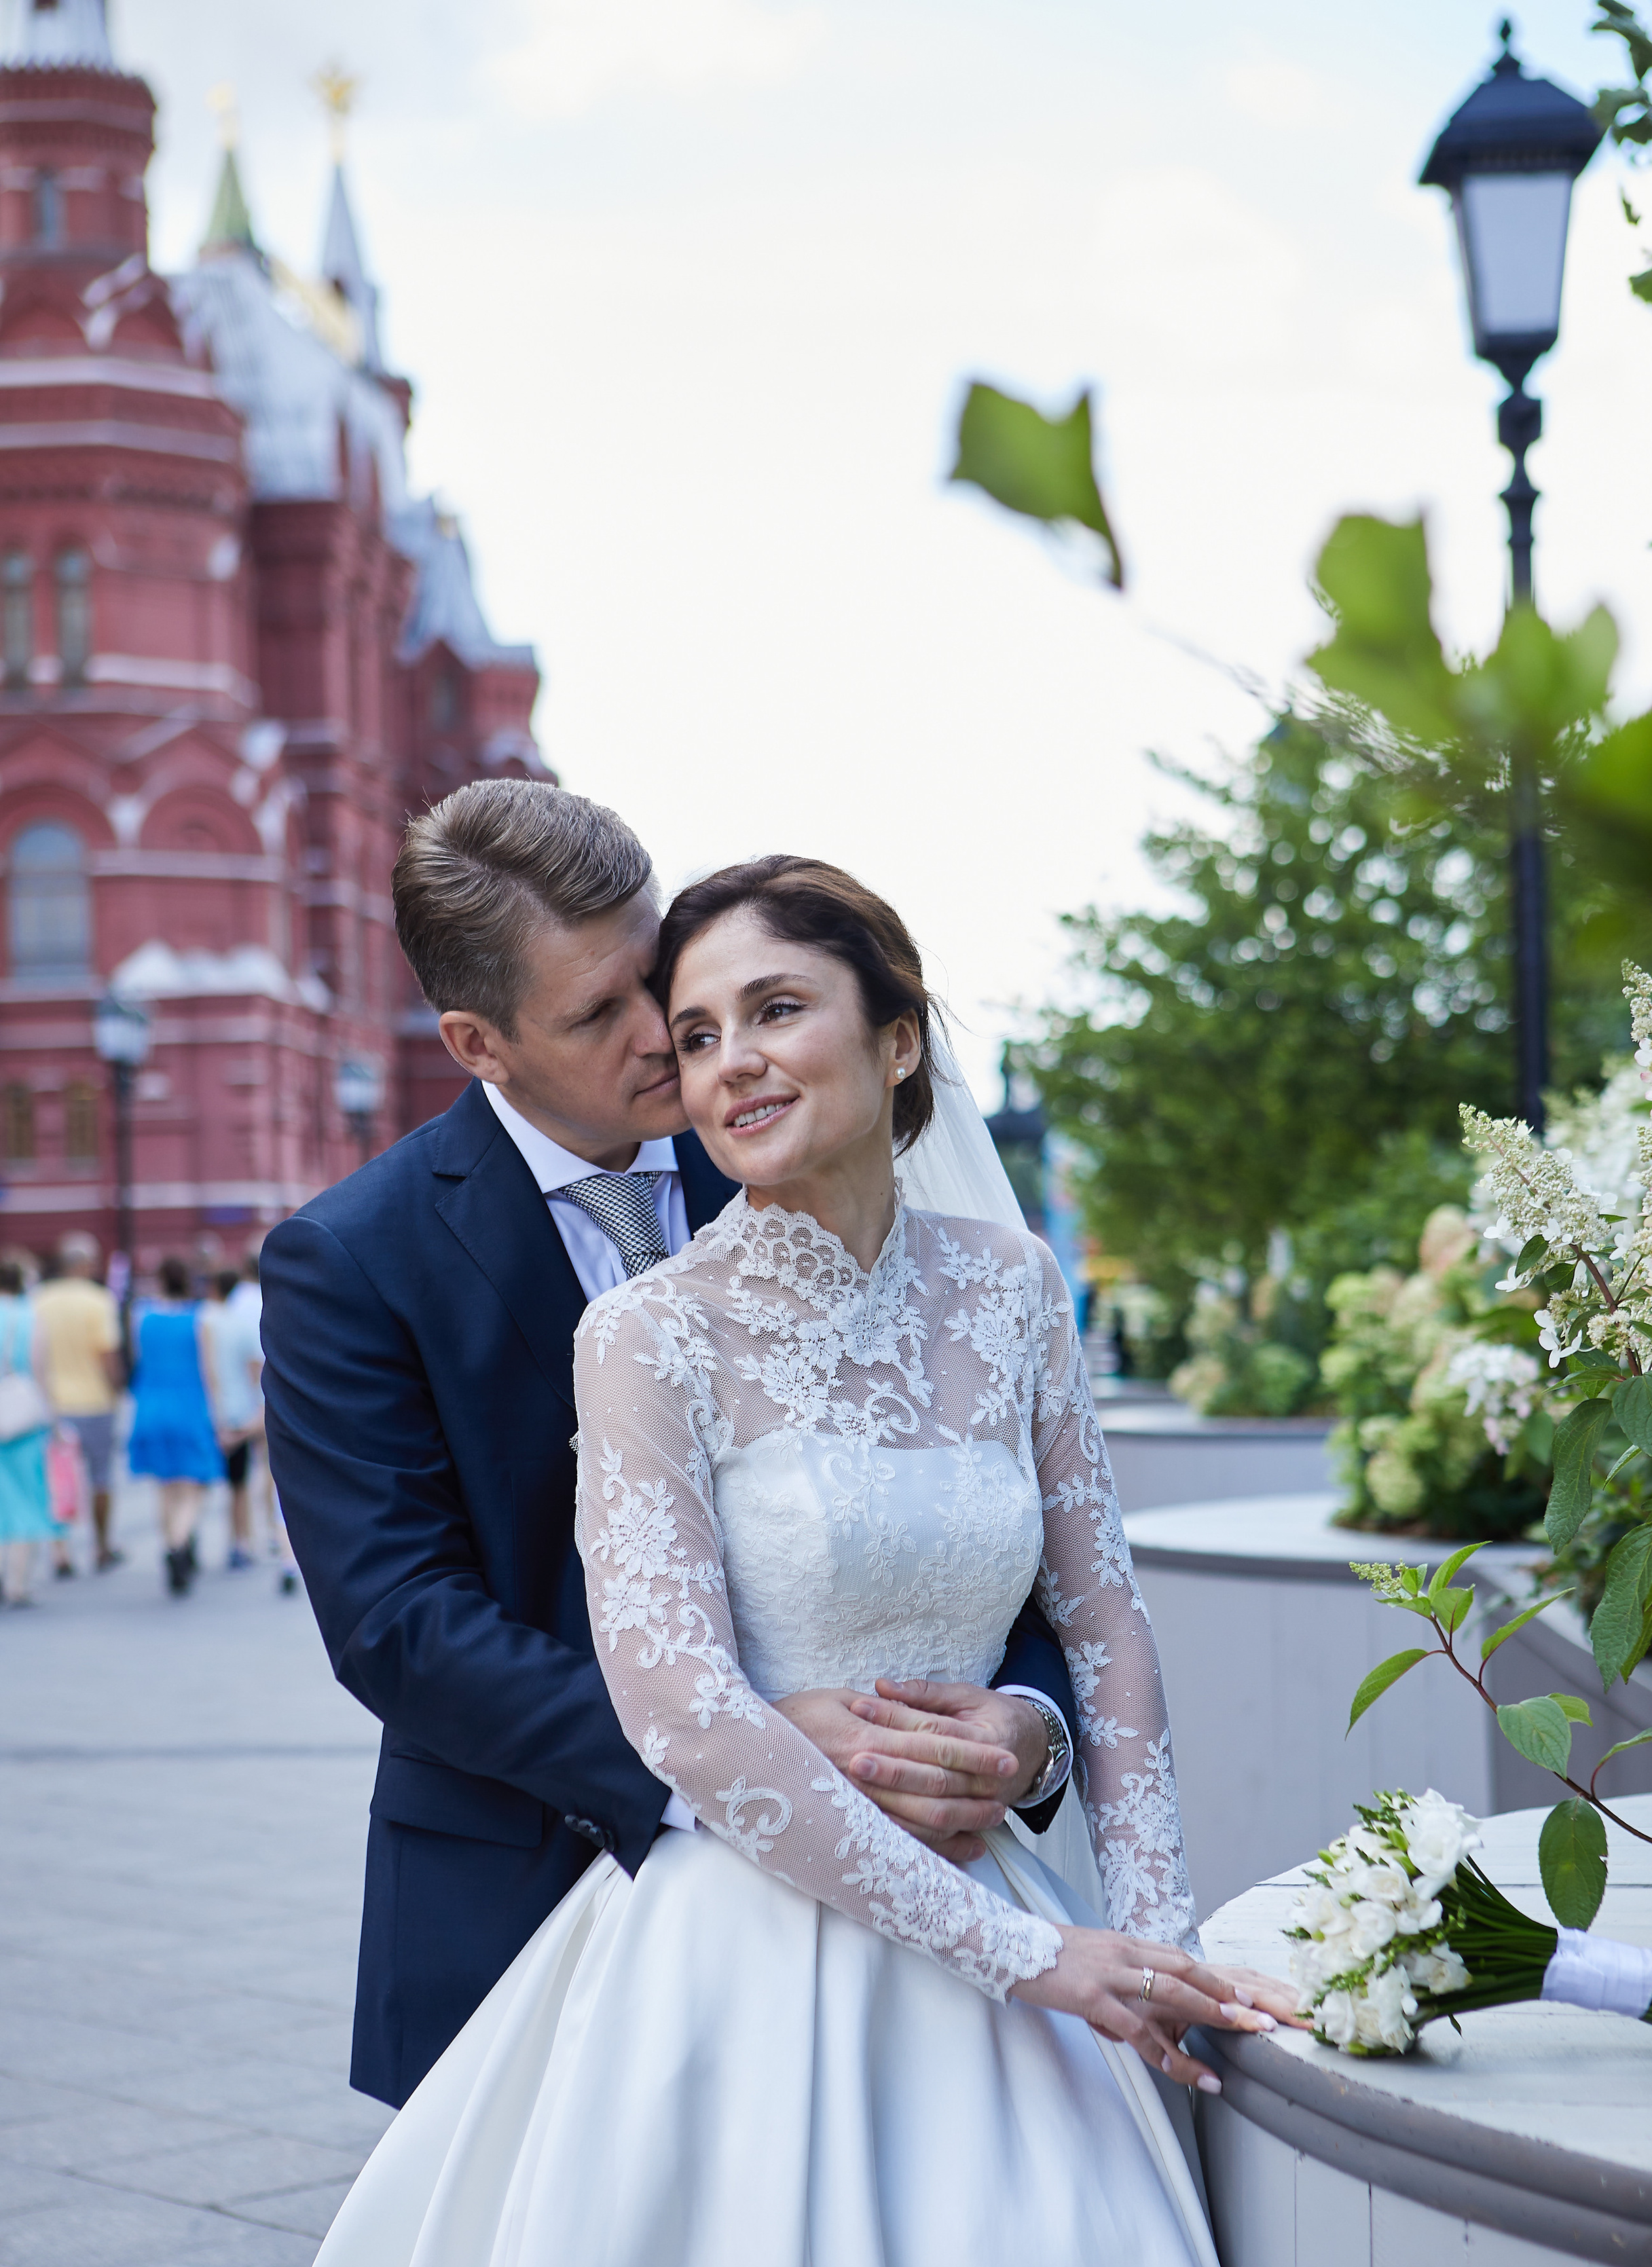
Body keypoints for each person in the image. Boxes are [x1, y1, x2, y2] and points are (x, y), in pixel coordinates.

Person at [149, 857, 1302, 2267]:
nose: (696, 1060)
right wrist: (968, 1907)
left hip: (1009, 1887)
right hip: (703, 1922)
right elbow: (501, 1652)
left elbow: (1090, 1614)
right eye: (670, 1026)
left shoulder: (1002, 1284)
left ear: (897, 1037)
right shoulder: (606, 1314)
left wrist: (1126, 1901)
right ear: (480, 1040)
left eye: (753, 1010)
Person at [256, 780, 1080, 2113]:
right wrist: (739, 1748)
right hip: (527, 1886)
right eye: (598, 1015)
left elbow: (993, 1515)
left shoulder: (796, 1145)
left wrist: (1027, 1722)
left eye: (657, 978)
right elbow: (400, 1625)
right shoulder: (353, 1261)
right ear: (479, 1042)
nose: (666, 1038)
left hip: (917, 1883)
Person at [128, 1257, 224, 1596]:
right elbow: (209, 1370)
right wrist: (219, 1413)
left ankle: (171, 1543)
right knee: (194, 1485)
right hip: (189, 1404)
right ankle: (180, 1544)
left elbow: (139, 1359)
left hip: (151, 1404)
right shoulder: (200, 1318)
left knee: (165, 1486)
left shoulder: (142, 1316)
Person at [33, 1229, 124, 1572]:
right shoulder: (98, 1300)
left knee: (58, 1479)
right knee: (100, 1477)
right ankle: (101, 1545)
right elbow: (107, 1355)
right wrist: (117, 1390)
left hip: (53, 1403)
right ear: (85, 1264)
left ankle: (61, 1551)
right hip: (94, 1401)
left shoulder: (39, 1299)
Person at [202, 1265, 265, 1568]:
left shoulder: (202, 1320)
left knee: (190, 1484)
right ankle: (241, 1542)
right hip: (239, 1409)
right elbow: (255, 1369)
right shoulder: (241, 1324)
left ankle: (184, 1540)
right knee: (239, 1484)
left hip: (207, 1409)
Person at [0, 1257, 54, 1606]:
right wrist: (52, 1416)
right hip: (19, 1416)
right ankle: (16, 1582)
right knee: (25, 1499)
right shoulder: (29, 1316)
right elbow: (39, 1370)